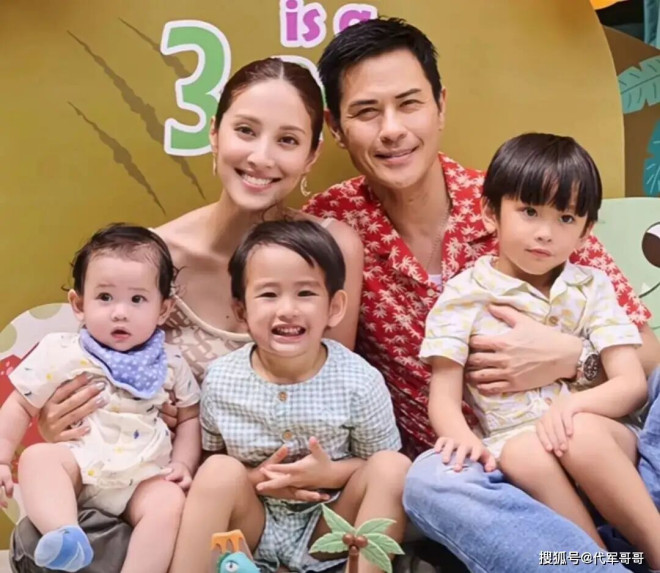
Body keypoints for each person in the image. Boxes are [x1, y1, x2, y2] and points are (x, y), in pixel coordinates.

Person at [302, 16, 660, 572]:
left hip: (604, 441)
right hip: (487, 475)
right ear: (337, 127)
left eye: (409, 104)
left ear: (440, 106)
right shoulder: (331, 227)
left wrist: (573, 358)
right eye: (367, 112)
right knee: (427, 481)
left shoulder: (521, 199)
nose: (392, 130)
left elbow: (647, 355)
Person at [10, 58, 364, 573]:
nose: (261, 156)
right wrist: (55, 419)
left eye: (287, 140)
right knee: (44, 540)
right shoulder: (154, 261)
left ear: (312, 155)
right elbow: (83, 376)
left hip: (281, 504)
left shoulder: (331, 250)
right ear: (215, 134)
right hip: (163, 495)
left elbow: (334, 390)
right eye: (246, 131)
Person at [421, 132, 660, 568]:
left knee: (579, 434)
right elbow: (444, 397)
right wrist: (462, 439)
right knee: (522, 453)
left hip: (600, 437)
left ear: (586, 231)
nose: (545, 233)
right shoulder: (463, 297)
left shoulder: (592, 288)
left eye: (566, 218)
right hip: (517, 446)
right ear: (490, 212)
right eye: (529, 212)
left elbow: (631, 385)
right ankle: (598, 562)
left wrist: (573, 408)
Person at [169, 219, 409, 573]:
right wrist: (257, 480)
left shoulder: (358, 380)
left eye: (305, 293)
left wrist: (331, 474)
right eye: (268, 295)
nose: (287, 310)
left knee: (394, 468)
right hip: (254, 524)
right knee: (218, 470)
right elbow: (213, 460)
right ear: (241, 310)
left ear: (334, 307)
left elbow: (377, 464)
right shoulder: (222, 379)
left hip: (330, 525)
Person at [0, 224, 200, 572]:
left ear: (163, 310)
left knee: (168, 502)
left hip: (142, 476)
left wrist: (183, 463)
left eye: (137, 299)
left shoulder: (169, 361)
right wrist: (2, 458)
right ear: (78, 304)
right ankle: (67, 536)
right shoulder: (61, 351)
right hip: (79, 468)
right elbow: (19, 403)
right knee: (37, 458)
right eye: (105, 297)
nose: (120, 312)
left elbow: (190, 417)